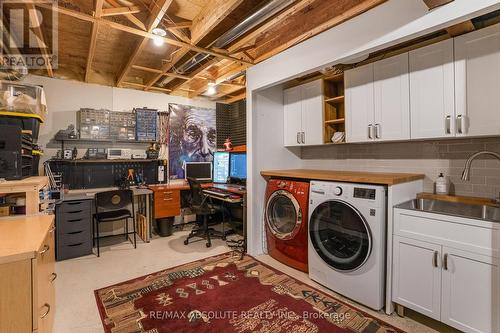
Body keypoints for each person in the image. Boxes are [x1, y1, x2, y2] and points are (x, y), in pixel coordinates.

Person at [169, 104, 216, 179]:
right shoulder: (173, 170)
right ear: (179, 136)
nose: (205, 151)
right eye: (193, 134)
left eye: (212, 137)